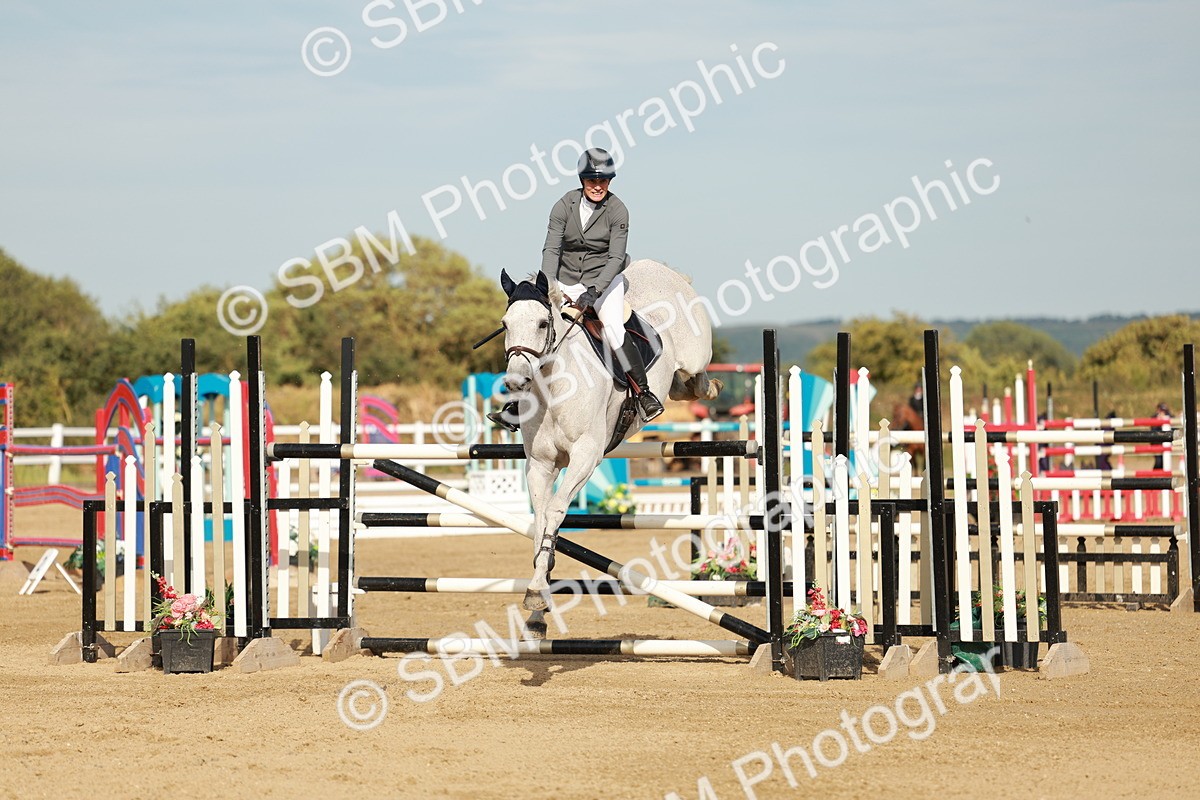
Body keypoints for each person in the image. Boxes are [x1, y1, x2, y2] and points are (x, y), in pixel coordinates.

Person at [488, 148, 663, 431]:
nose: (598, 185)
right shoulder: (563, 206)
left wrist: (595, 290)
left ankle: (643, 393)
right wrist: (549, 286)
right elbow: (551, 248)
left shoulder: (618, 210)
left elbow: (616, 257)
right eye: (592, 180)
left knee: (613, 328)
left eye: (604, 180)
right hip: (566, 280)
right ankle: (517, 404)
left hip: (606, 280)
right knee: (538, 328)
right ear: (582, 180)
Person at [1152, 402, 1171, 470]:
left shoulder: (1169, 416)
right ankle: (1154, 476)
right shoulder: (1154, 418)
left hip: (1166, 443)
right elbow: (1153, 431)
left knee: (1165, 461)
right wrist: (1158, 422)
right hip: (1157, 443)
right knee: (1158, 461)